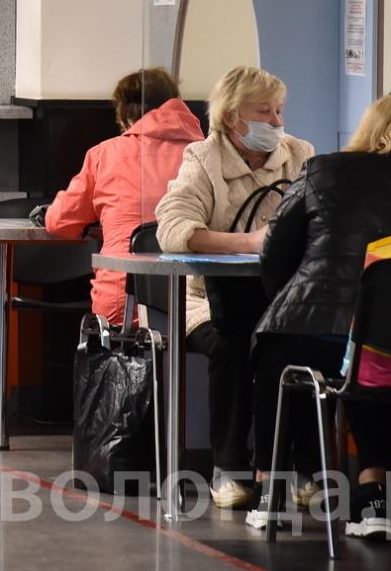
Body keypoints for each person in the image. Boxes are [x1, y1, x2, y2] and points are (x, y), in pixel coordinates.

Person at [250, 94, 391, 541]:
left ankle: (270, 496)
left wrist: (291, 301)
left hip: (312, 327)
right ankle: (373, 502)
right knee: (376, 365)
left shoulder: (323, 169)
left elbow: (275, 252)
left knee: (276, 357)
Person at [155, 65, 315, 508]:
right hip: (209, 301)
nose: (276, 121)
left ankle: (304, 469)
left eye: (279, 110)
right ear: (231, 118)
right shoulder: (201, 159)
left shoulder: (301, 155)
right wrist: (247, 243)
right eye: (264, 112)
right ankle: (229, 469)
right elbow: (172, 228)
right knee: (232, 345)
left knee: (305, 345)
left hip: (282, 301)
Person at [43, 68, 203, 326]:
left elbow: (60, 222)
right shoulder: (206, 154)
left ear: (126, 113)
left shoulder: (104, 154)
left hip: (124, 303)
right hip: (194, 304)